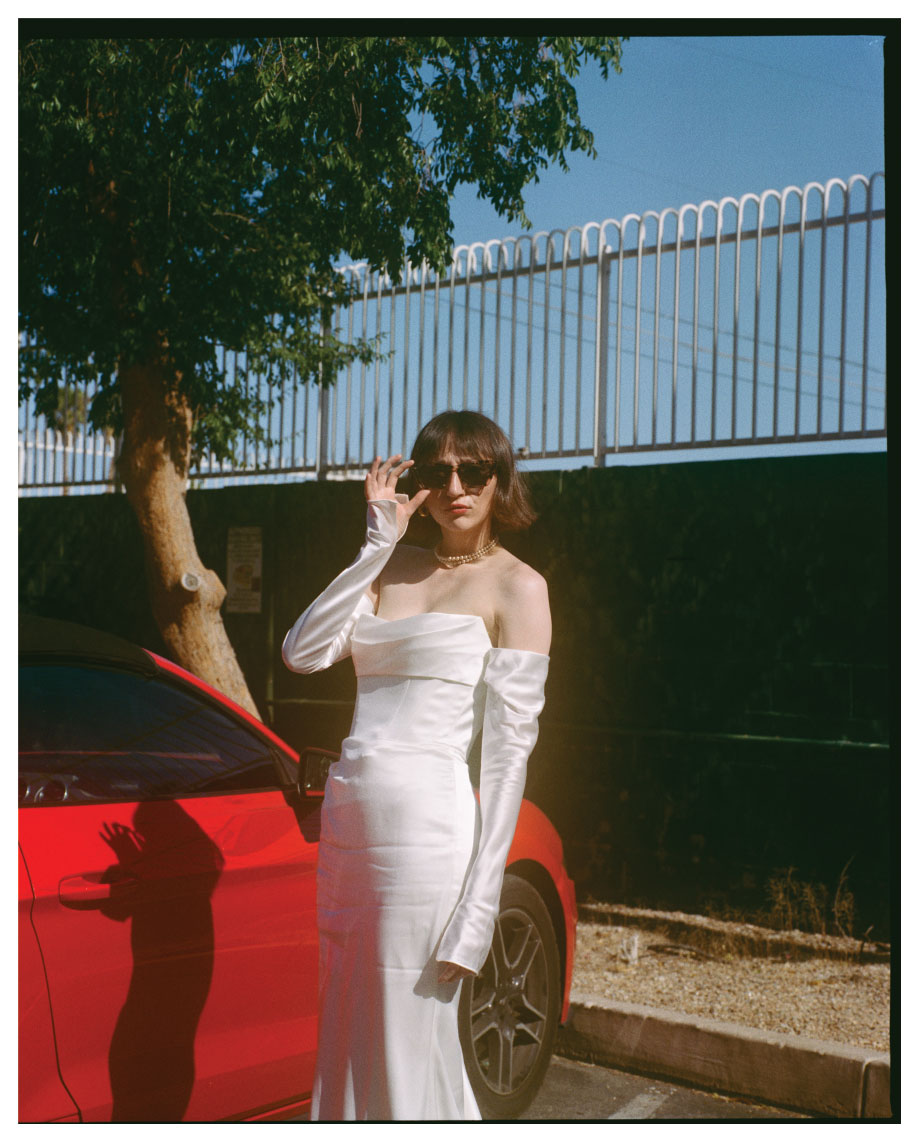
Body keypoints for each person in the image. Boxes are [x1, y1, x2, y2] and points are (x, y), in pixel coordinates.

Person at [282, 409, 551, 1121]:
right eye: (438, 472)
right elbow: (302, 654)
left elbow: (506, 761)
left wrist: (479, 907)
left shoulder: (518, 588)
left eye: (475, 471)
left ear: (501, 477)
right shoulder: (390, 564)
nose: (456, 486)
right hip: (351, 825)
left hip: (427, 837)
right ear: (419, 484)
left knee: (410, 1037)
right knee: (346, 1033)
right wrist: (374, 544)